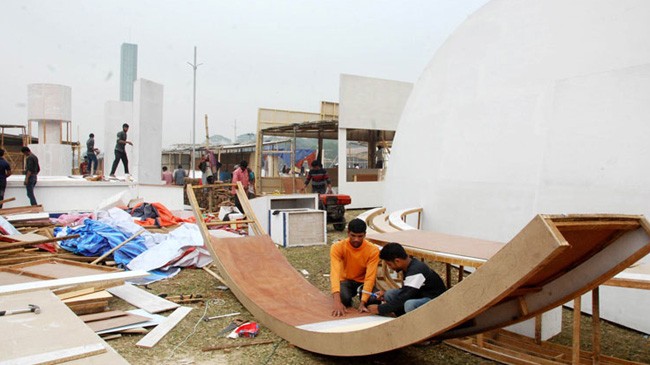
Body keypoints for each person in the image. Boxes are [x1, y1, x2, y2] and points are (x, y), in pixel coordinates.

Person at [367, 242, 447, 317]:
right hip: (420, 295)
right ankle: (401, 316)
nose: (390, 267)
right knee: (389, 294)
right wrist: (384, 295)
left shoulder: (416, 271)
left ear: (397, 261)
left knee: (410, 304)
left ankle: (414, 325)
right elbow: (406, 291)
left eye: (389, 264)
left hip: (435, 301)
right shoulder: (409, 266)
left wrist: (379, 309)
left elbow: (405, 297)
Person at [330, 218, 380, 316]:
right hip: (345, 281)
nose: (356, 239)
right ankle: (346, 301)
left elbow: (370, 277)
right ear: (348, 233)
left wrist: (363, 302)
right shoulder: (337, 247)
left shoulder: (373, 250)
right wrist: (337, 301)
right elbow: (334, 273)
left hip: (362, 282)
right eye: (353, 235)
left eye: (360, 236)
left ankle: (363, 298)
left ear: (365, 235)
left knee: (374, 299)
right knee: (343, 298)